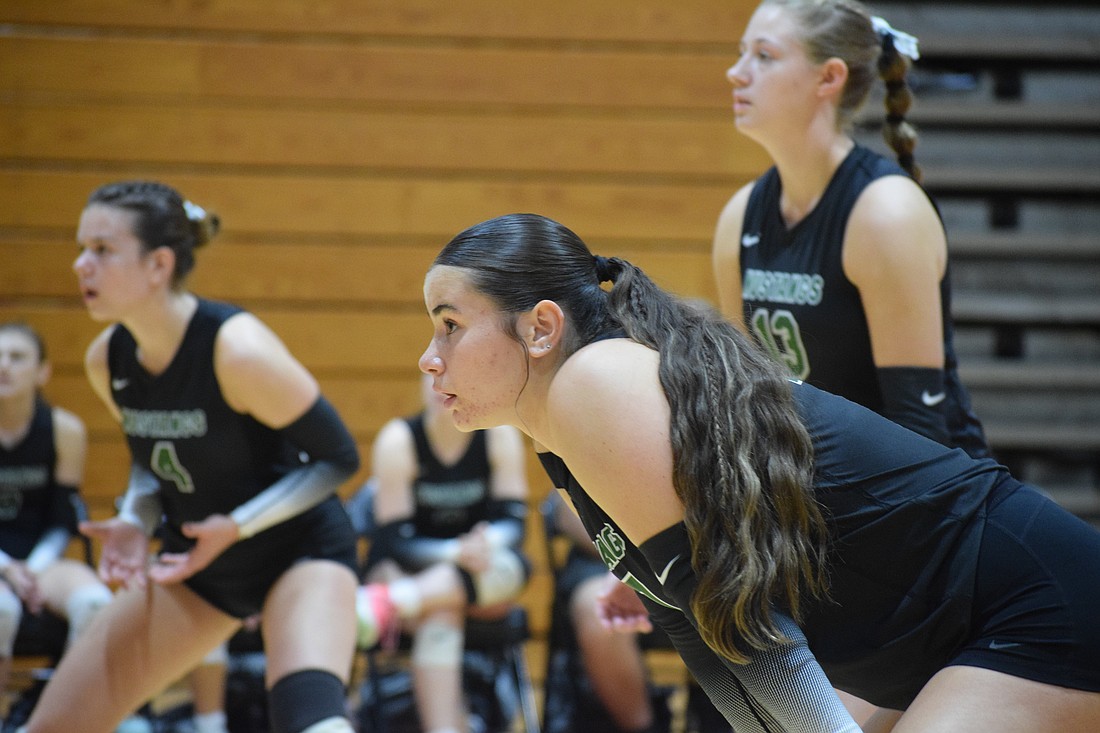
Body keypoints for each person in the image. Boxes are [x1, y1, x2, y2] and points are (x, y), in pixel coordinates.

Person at [416, 212, 1100, 733]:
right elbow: (702, 638)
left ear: (540, 328)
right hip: (933, 631)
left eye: (450, 324)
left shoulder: (594, 384)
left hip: (1029, 599)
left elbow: (744, 623)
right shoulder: (559, 434)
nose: (429, 355)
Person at [21, 180, 362, 733]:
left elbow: (339, 458)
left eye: (102, 250)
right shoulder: (108, 358)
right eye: (81, 248)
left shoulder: (238, 349)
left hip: (298, 552)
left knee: (313, 725)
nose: (81, 265)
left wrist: (237, 525)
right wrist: (137, 518)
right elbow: (151, 459)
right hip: (200, 566)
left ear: (158, 265)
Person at [712, 0, 989, 461]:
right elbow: (744, 402)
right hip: (818, 496)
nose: (736, 73)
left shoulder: (885, 214)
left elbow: (920, 435)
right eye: (742, 53)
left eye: (763, 56)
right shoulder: (739, 218)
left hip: (932, 503)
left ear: (829, 78)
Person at [355, 374, 530, 733]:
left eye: (455, 377)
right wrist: (455, 553)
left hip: (476, 571)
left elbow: (515, 525)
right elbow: (395, 543)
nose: (442, 387)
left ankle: (395, 602)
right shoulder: (399, 439)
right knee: (444, 609)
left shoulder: (499, 434)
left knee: (513, 569)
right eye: (433, 376)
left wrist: (486, 546)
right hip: (408, 569)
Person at [0, 322, 114, 723]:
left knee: (96, 604)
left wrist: (30, 569)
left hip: (41, 558)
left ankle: (61, 719)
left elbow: (63, 519)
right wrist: (6, 568)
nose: (4, 366)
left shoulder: (64, 431)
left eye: (17, 357)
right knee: (1, 609)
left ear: (43, 371)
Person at [543, 491, 670, 733]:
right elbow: (567, 514)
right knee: (598, 610)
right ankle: (643, 728)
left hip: (684, 559)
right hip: (601, 561)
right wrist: (636, 568)